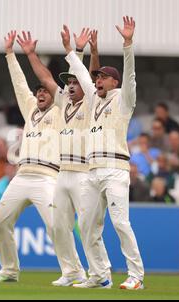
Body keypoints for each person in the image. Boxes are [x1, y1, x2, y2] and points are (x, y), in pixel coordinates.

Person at [17, 29, 111, 286]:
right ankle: (71, 272)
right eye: (67, 84)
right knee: (58, 226)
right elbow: (46, 78)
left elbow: (93, 77)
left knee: (89, 227)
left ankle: (101, 275)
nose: (69, 87)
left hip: (83, 173)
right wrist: (31, 55)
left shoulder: (92, 103)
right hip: (63, 174)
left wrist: (92, 50)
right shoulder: (63, 102)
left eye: (74, 83)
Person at [63, 17, 144, 290]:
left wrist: (128, 43)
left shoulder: (124, 99)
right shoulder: (95, 100)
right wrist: (72, 51)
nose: (96, 80)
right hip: (93, 171)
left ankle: (136, 277)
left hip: (116, 170)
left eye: (102, 77)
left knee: (121, 223)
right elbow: (83, 76)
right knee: (86, 226)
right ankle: (99, 276)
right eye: (97, 77)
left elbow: (130, 74)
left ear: (114, 81)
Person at [0, 31, 61, 283]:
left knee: (55, 227)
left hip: (48, 177)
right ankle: (9, 270)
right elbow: (20, 83)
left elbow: (59, 86)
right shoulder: (30, 109)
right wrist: (9, 54)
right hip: (22, 175)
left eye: (45, 91)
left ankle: (73, 272)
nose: (40, 94)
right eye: (38, 91)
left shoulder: (63, 111)